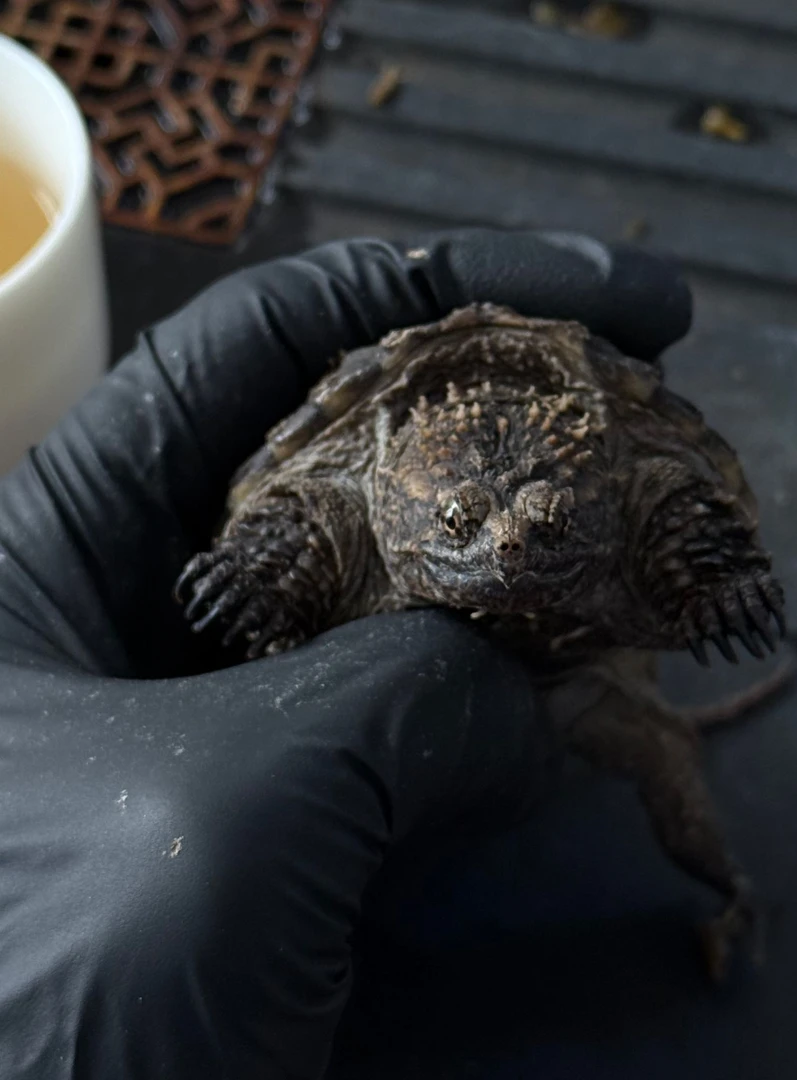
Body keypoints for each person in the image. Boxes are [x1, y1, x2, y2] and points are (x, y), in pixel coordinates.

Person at [0, 229, 691, 1079]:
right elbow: (287, 518)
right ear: (401, 498)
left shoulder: (618, 472)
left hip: (595, 677)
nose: (508, 549)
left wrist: (710, 567)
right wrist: (260, 570)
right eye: (460, 524)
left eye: (542, 523)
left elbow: (675, 492)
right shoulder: (348, 485)